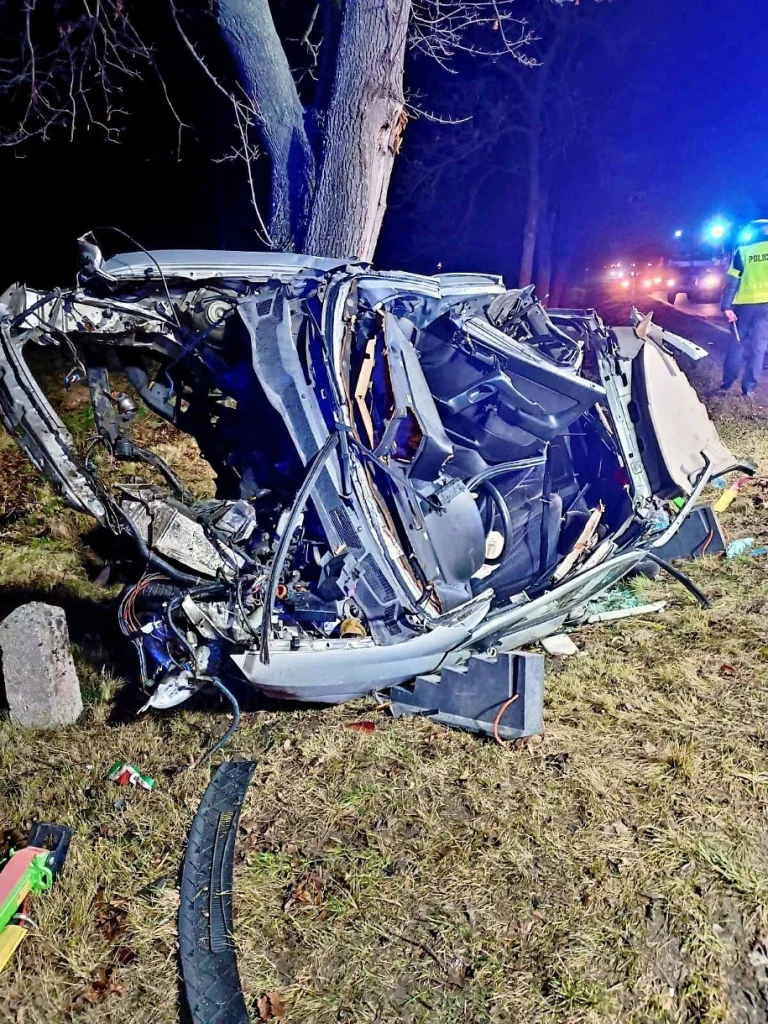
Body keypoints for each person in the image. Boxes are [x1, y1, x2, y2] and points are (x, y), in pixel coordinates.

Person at [721, 219, 768, 396]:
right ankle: (749, 390)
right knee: (759, 347)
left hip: (744, 305)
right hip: (766, 306)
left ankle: (727, 383)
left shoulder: (743, 251)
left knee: (737, 344)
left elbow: (732, 281)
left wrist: (726, 306)